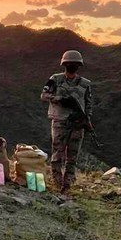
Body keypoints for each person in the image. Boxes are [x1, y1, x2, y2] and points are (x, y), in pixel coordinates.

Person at [40, 50, 92, 195]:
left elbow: (88, 105)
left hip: (77, 123)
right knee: (57, 153)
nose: (72, 66)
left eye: (74, 64)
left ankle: (68, 183)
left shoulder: (85, 84)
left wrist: (87, 120)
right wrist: (59, 99)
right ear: (64, 64)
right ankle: (57, 181)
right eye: (70, 63)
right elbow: (44, 95)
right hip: (60, 121)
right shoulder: (55, 80)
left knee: (72, 155)